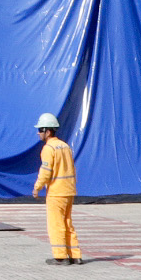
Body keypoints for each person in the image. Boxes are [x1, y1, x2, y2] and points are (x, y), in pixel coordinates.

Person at [34, 112, 82, 264]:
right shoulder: (65, 146)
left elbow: (46, 171)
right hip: (69, 190)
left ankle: (60, 257)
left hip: (56, 192)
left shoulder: (49, 148)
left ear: (48, 131)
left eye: (40, 130)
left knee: (56, 224)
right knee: (67, 222)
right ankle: (75, 255)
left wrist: (37, 187)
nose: (38, 133)